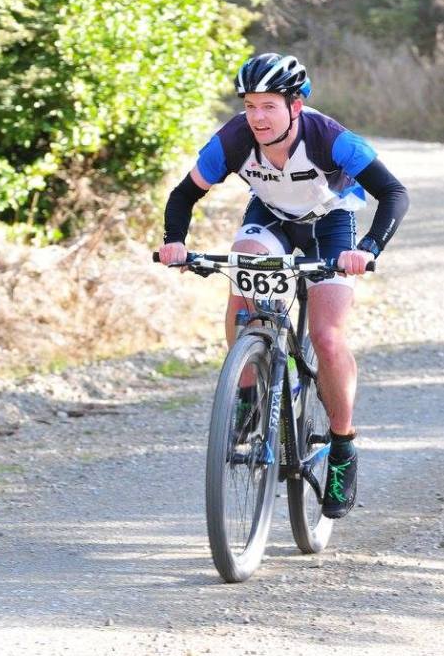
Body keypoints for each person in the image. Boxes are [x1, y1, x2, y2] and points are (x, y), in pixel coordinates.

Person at [158, 52, 409, 519]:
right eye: (250, 105)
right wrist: (175, 242)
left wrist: (370, 248)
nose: (256, 117)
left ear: (295, 106)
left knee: (328, 336)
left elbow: (394, 193)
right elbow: (183, 194)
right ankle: (248, 389)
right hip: (270, 219)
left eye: (268, 106)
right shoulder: (233, 139)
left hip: (330, 225)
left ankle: (342, 446)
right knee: (241, 279)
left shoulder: (330, 138)